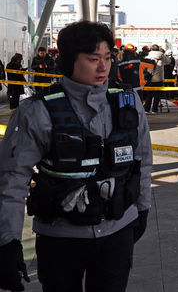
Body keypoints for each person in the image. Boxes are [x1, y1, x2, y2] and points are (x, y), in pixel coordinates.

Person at [0, 21, 152, 292]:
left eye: (108, 57)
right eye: (93, 59)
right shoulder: (37, 112)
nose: (103, 67)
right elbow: (12, 178)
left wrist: (142, 208)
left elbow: (143, 158)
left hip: (119, 231)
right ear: (70, 60)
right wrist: (7, 240)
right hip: (60, 238)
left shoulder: (127, 102)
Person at [144, 44, 170, 114]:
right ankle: (154, 110)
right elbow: (168, 62)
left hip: (149, 78)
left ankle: (146, 109)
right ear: (158, 49)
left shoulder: (147, 57)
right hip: (159, 79)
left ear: (151, 49)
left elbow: (144, 68)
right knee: (157, 95)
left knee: (149, 95)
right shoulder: (162, 55)